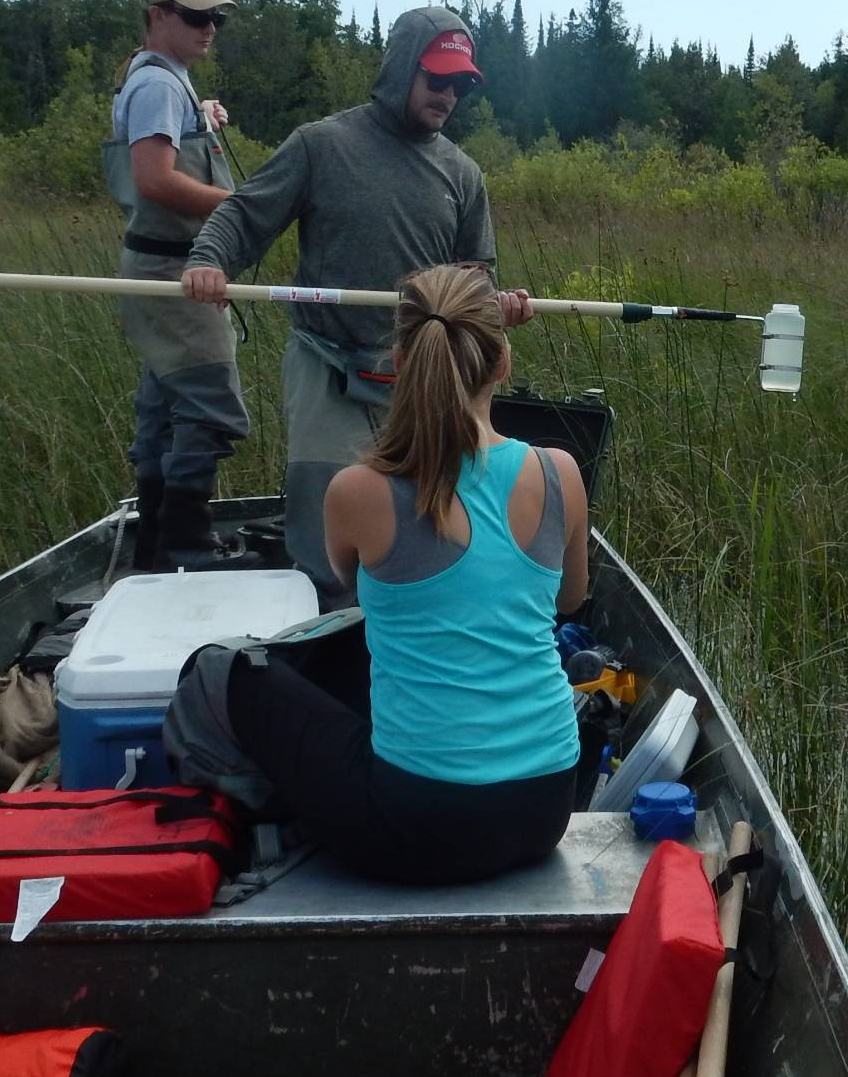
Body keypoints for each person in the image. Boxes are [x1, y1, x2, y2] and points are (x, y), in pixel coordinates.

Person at [223, 264, 588, 884]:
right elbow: (571, 600)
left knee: (232, 674)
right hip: (549, 802)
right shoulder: (561, 473)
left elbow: (341, 575)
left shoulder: (357, 490)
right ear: (501, 364)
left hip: (424, 825)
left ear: (398, 361)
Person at [182, 7, 533, 605]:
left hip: (421, 373)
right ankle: (325, 629)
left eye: (458, 85)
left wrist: (495, 306)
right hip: (328, 363)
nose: (447, 95)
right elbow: (244, 214)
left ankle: (404, 623)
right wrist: (208, 262)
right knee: (329, 512)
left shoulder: (463, 174)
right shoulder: (321, 145)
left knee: (425, 507)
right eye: (436, 79)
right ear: (401, 71)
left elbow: (477, 278)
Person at [108, 0, 251, 568]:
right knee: (210, 402)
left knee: (165, 404)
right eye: (195, 16)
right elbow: (155, 181)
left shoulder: (162, 80)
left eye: (215, 15)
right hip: (172, 272)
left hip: (156, 269)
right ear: (158, 16)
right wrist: (246, 207)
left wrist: (202, 115)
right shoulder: (160, 86)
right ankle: (188, 542)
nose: (209, 27)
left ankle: (154, 543)